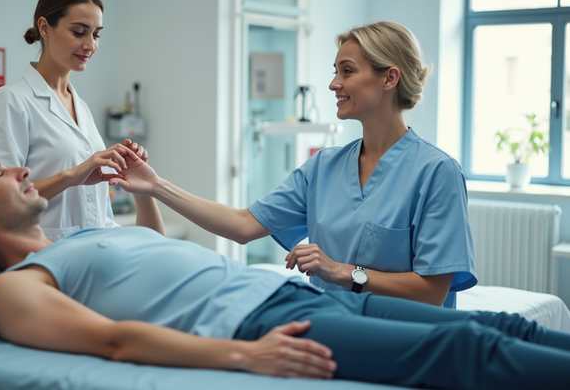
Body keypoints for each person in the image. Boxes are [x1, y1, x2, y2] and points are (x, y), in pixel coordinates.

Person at [0, 144, 569, 389]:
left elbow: (152, 255)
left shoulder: (72, 238)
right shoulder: (14, 289)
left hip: (290, 288)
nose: (22, 170)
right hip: (266, 319)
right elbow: (112, 339)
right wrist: (239, 357)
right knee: (466, 346)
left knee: (505, 326)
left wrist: (147, 195)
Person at [115, 21, 475, 308]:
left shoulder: (436, 172)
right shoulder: (324, 167)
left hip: (407, 339)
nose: (334, 83)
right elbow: (242, 225)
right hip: (332, 328)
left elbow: (431, 292)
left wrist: (344, 272)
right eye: (335, 71)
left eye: (347, 71)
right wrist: (156, 186)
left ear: (389, 78)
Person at [0, 0, 161, 241]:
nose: (90, 44)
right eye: (79, 32)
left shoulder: (81, 108)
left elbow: (99, 214)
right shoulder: (12, 101)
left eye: (96, 34)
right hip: (43, 256)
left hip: (94, 252)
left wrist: (137, 177)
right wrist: (73, 175)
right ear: (45, 27)